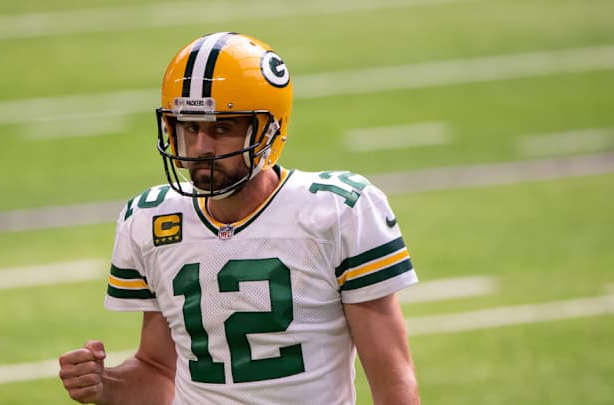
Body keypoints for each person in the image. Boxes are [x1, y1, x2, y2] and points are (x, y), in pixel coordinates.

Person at [59, 32, 420, 405]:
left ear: (268, 131)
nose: (202, 147)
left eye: (222, 128)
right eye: (190, 127)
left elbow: (393, 381)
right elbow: (159, 370)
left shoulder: (338, 211)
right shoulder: (150, 218)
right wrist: (105, 385)